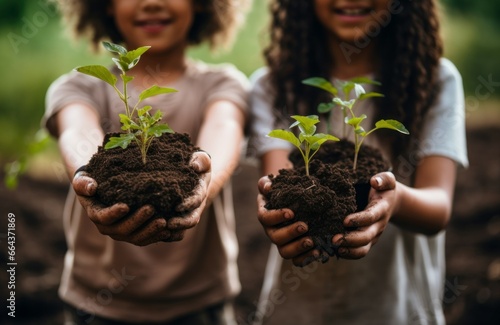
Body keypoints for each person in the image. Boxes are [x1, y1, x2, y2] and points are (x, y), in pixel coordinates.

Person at [248, 0, 468, 324]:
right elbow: (280, 185)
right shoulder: (273, 86)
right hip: (297, 312)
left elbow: (438, 207)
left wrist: (395, 200)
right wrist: (277, 209)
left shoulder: (433, 81)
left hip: (397, 306)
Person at [43, 0, 251, 324]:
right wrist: (91, 176)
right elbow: (78, 133)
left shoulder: (222, 85)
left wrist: (203, 180)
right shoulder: (79, 87)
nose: (152, 3)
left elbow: (224, 129)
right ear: (106, 5)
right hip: (97, 305)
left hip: (199, 302)